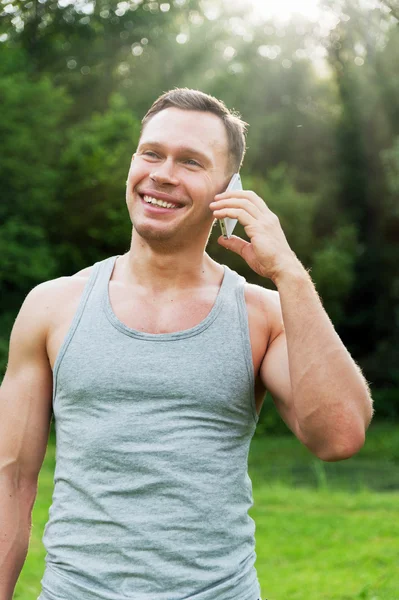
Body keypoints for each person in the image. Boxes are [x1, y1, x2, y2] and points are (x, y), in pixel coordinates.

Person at [0, 88, 373, 600]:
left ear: (229, 189)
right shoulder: (51, 307)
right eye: (151, 153)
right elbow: (12, 480)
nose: (163, 174)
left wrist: (289, 274)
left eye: (191, 162)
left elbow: (339, 436)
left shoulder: (262, 315)